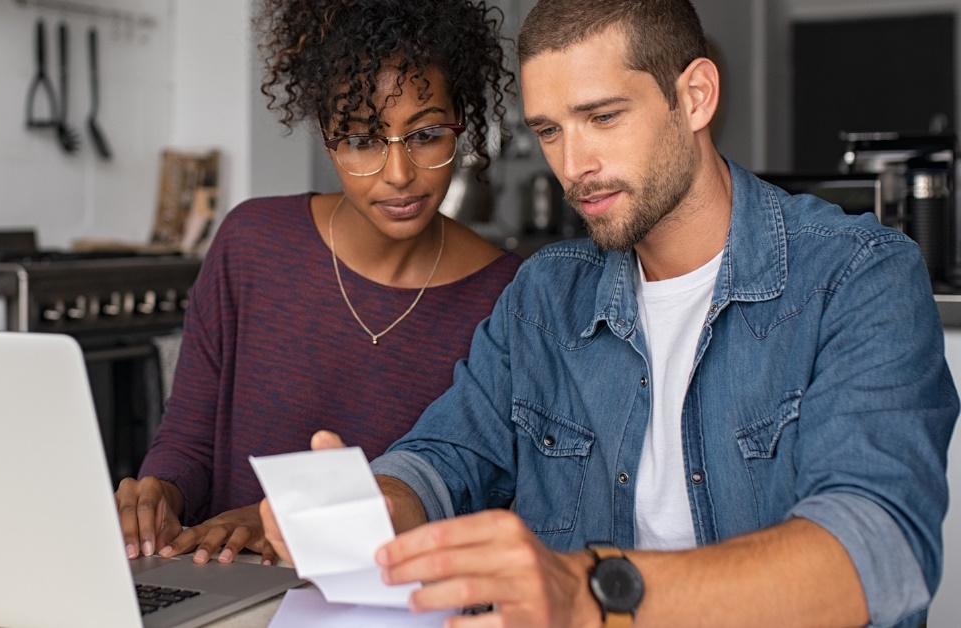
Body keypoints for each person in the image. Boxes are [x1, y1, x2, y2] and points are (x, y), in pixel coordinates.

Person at [261, 0, 960, 626]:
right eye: (550, 130)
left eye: (602, 117)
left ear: (694, 96)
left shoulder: (859, 274)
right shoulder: (545, 297)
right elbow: (448, 457)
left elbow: (879, 551)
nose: (575, 164)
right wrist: (372, 505)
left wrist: (592, 593)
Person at [114, 0, 521, 567]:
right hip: (231, 589)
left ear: (464, 121)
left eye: (425, 134)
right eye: (362, 141)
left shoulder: (509, 299)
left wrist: (279, 522)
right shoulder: (250, 244)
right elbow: (190, 443)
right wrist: (161, 492)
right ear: (327, 139)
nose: (399, 174)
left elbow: (478, 497)